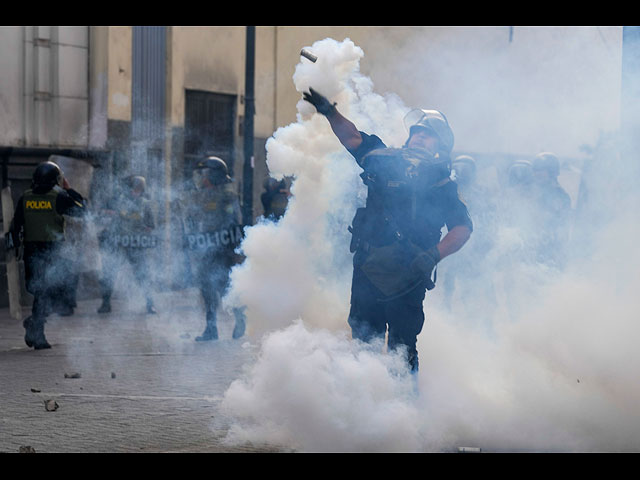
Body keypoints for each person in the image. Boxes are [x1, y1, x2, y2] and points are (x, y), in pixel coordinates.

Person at [303, 87, 472, 373]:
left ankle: (404, 410)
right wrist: (330, 112)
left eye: (428, 134)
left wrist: (432, 256)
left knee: (402, 349)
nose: (420, 136)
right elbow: (352, 137)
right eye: (417, 131)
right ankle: (362, 406)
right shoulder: (384, 157)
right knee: (363, 344)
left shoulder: (442, 182)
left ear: (439, 145)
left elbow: (462, 228)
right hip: (369, 267)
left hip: (410, 274)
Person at [8, 161, 86, 349]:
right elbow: (83, 211)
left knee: (42, 292)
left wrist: (15, 247)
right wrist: (69, 189)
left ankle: (35, 325)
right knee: (49, 293)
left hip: (31, 253)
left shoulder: (25, 197)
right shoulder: (59, 196)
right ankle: (37, 330)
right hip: (52, 253)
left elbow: (15, 225)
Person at [179, 156, 246, 341]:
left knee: (224, 288)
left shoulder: (227, 195)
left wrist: (232, 250)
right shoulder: (201, 195)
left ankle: (240, 318)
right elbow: (196, 219)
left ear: (216, 175)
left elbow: (233, 222)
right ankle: (211, 329)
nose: (202, 178)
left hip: (223, 250)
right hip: (206, 249)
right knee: (206, 288)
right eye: (201, 174)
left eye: (206, 174)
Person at [441, 155, 497, 317]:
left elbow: (490, 219)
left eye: (465, 169)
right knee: (449, 284)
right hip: (454, 244)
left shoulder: (482, 193)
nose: (461, 172)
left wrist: (485, 244)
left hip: (475, 247)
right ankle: (448, 313)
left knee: (474, 286)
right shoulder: (449, 191)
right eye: (459, 168)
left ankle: (479, 318)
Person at [96, 175, 158, 314]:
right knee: (109, 273)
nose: (135, 192)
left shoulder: (145, 204)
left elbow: (151, 226)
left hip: (135, 244)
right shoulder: (117, 201)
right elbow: (101, 213)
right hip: (117, 243)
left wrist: (144, 233)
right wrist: (109, 214)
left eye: (138, 189)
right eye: (133, 189)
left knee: (143, 274)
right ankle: (105, 303)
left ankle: (150, 303)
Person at [530, 152, 572, 269]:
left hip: (551, 251)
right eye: (535, 170)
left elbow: (560, 227)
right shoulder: (535, 193)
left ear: (552, 172)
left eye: (540, 170)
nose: (536, 173)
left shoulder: (559, 195)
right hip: (535, 249)